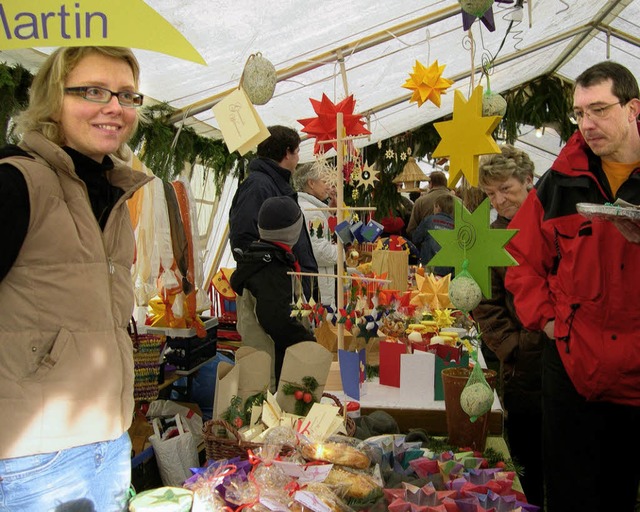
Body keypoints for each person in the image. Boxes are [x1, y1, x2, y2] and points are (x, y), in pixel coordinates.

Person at [0, 47, 151, 510]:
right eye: (93, 91)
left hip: (109, 440)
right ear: (52, 100)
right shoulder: (17, 183)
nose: (114, 107)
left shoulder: (112, 192)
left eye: (126, 95)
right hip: (36, 457)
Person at [505, 61, 640, 512]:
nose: (587, 124)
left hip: (636, 374)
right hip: (572, 367)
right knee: (570, 495)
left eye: (599, 110)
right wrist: (548, 323)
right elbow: (521, 259)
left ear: (633, 108)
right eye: (580, 113)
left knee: (620, 495)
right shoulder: (560, 180)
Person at [473, 145, 545, 509]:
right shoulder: (491, 239)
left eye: (506, 190)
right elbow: (485, 303)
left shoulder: (553, 221)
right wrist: (512, 346)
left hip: (568, 358)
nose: (499, 200)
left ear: (528, 181)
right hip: (521, 366)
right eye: (490, 194)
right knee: (527, 456)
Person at [230, 196, 316, 390]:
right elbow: (276, 319)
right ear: (293, 231)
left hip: (257, 361)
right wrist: (308, 343)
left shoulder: (258, 259)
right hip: (272, 370)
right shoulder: (271, 270)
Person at [229, 125, 318, 301]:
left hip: (288, 289)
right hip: (275, 295)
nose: (298, 158)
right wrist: (277, 275)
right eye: (297, 152)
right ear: (287, 153)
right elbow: (243, 239)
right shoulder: (258, 186)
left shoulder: (274, 184)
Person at [293, 162, 339, 307]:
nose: (328, 186)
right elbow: (319, 252)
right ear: (311, 183)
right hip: (318, 283)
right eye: (324, 181)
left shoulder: (304, 207)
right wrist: (343, 250)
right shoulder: (313, 213)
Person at [412, 193, 456, 276]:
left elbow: (416, 238)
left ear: (438, 207)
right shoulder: (456, 225)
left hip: (428, 267)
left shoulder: (429, 220)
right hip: (448, 270)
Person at [406, 170, 451, 237]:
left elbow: (411, 229)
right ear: (445, 183)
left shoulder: (420, 201)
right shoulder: (459, 202)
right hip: (453, 244)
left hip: (427, 244)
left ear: (431, 184)